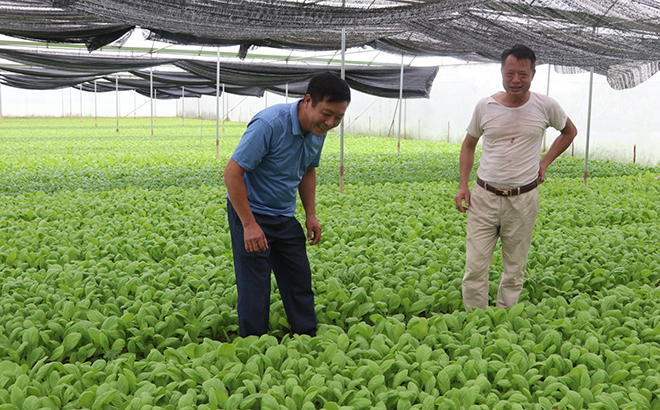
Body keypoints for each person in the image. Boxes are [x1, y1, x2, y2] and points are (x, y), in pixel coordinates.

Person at [224, 72, 350, 337]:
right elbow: (232, 173)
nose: (330, 122)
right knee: (255, 284)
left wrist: (311, 215)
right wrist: (249, 224)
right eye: (327, 114)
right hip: (252, 211)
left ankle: (307, 337)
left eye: (338, 117)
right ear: (307, 101)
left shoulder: (319, 129)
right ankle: (254, 344)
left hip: (283, 213)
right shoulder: (269, 124)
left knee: (298, 278)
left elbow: (307, 170)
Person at [454, 44, 578, 311]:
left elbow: (569, 132)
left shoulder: (546, 106)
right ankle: (476, 319)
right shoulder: (485, 106)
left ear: (533, 74)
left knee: (514, 268)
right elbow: (468, 145)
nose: (515, 80)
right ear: (501, 72)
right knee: (475, 266)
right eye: (510, 73)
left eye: (522, 74)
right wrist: (463, 186)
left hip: (523, 199)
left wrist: (544, 163)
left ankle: (504, 319)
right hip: (484, 197)